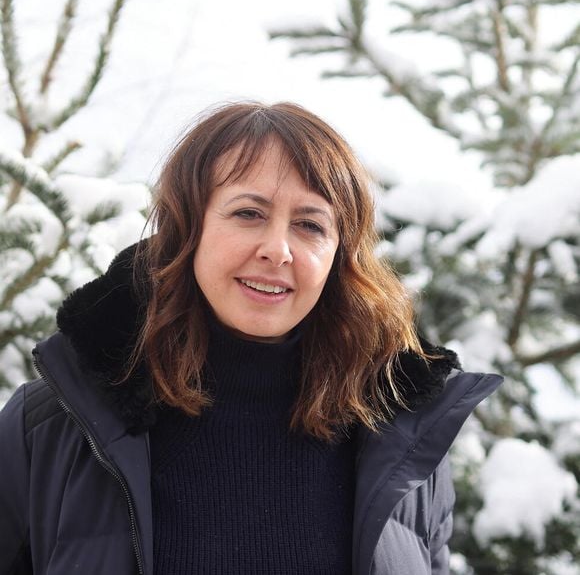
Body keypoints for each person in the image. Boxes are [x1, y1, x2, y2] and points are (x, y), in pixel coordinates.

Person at [0, 102, 501, 575]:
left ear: (339, 256)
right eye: (248, 213)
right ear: (187, 228)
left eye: (309, 225)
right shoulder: (48, 427)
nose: (277, 249)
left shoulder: (401, 436)